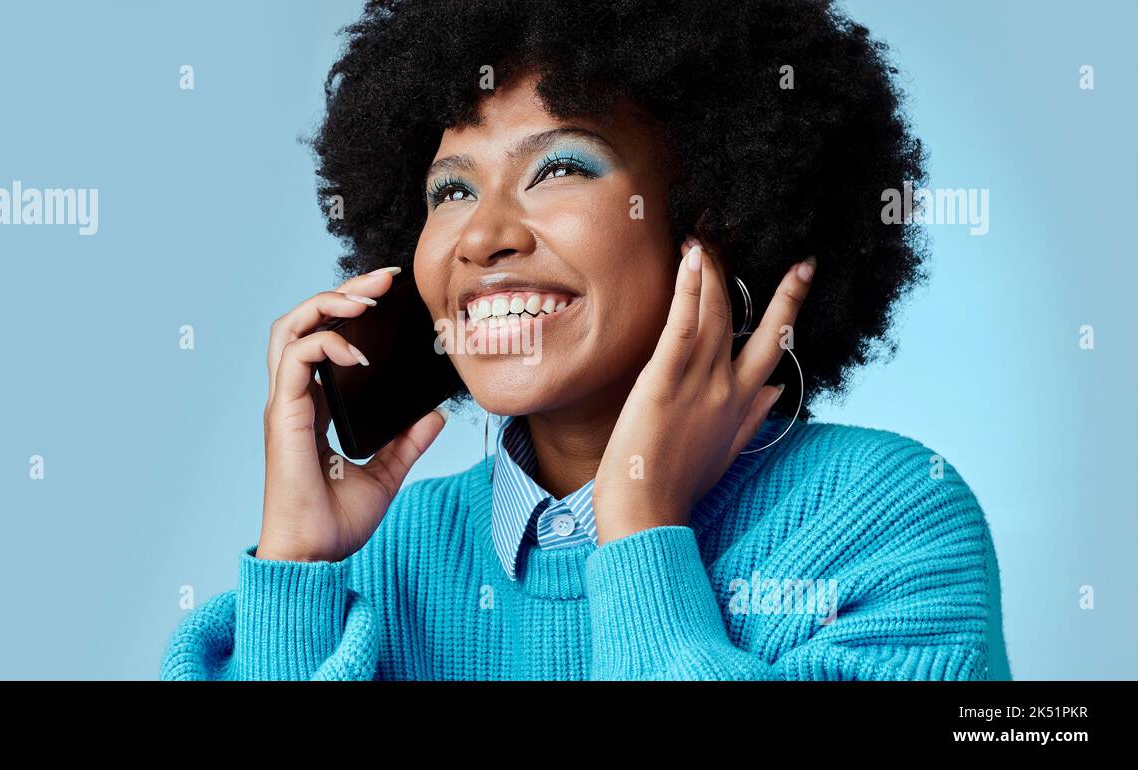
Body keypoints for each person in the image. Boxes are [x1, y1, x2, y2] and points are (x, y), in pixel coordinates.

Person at [162, 0, 1010, 681]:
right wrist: (295, 571)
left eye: (560, 168)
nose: (480, 236)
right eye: (450, 190)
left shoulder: (890, 517)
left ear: (710, 219)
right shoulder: (383, 553)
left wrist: (639, 523)